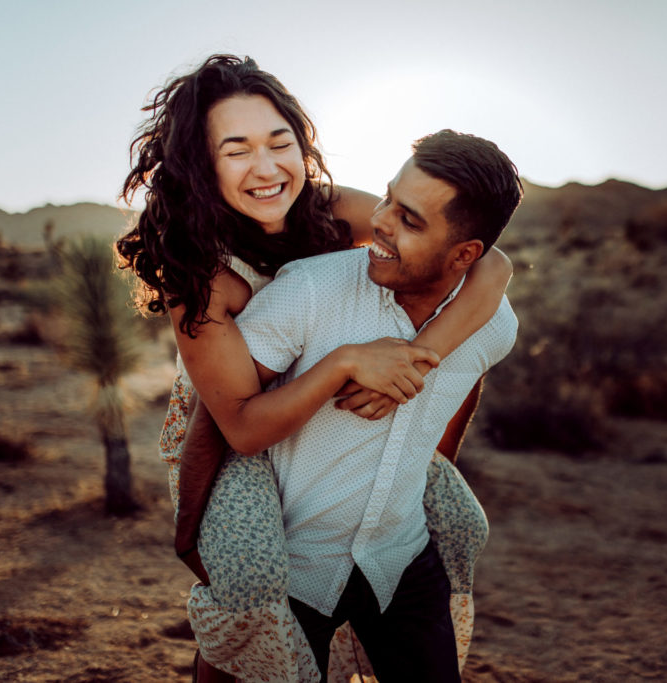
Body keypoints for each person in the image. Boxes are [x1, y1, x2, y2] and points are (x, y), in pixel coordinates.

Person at [115, 55, 511, 681]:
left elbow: (491, 267)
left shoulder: (329, 210)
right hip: (226, 421)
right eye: (236, 150)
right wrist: (190, 524)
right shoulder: (200, 274)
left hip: (310, 402)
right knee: (248, 586)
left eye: (281, 143)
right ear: (200, 162)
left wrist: (419, 359)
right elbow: (229, 425)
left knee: (453, 522)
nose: (268, 168)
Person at [233, 129, 521, 682]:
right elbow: (220, 415)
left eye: (410, 221)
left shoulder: (494, 325)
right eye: (388, 198)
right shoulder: (310, 290)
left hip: (401, 556)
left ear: (466, 255)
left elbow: (466, 384)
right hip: (293, 566)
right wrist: (195, 538)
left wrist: (437, 468)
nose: (382, 222)